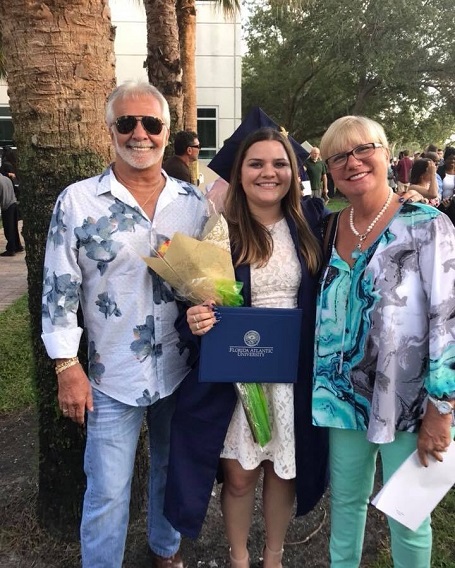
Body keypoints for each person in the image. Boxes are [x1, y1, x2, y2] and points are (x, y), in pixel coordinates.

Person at [41, 81, 209, 568]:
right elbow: (59, 289)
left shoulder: (192, 203)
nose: (140, 134)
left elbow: (207, 280)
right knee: (108, 492)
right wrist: (66, 366)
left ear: (166, 132)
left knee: (169, 471)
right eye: (127, 123)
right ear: (109, 130)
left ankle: (165, 549)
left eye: (151, 124)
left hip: (179, 370)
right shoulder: (77, 203)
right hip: (110, 375)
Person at [164, 127, 329, 568]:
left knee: (282, 470)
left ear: (293, 172)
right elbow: (192, 303)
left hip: (293, 371)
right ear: (240, 172)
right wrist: (194, 320)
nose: (268, 173)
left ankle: (273, 557)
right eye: (256, 163)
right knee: (238, 477)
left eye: (279, 164)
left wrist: (402, 203)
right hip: (238, 373)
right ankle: (239, 559)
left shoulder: (311, 223)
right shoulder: (221, 232)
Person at [313, 115, 455, 568]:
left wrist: (442, 407)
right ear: (329, 169)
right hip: (340, 396)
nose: (352, 162)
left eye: (363, 150)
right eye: (339, 156)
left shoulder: (428, 225)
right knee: (346, 506)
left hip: (410, 400)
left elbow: (447, 320)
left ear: (387, 153)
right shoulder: (328, 228)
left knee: (409, 518)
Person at [0, 171, 23, 256]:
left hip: (7, 206)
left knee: (8, 229)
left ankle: (11, 249)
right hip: (13, 203)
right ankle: (18, 246)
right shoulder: (6, 179)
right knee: (14, 227)